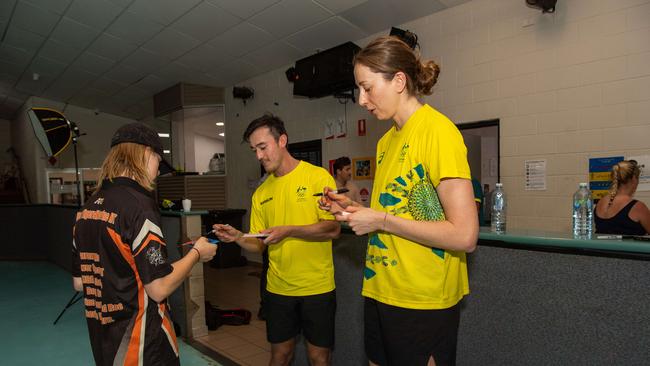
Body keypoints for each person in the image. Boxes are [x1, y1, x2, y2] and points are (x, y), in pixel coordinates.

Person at [320, 36, 478, 366]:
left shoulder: (438, 132)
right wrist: (352, 212)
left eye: (367, 87)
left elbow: (464, 235)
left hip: (423, 299)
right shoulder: (385, 142)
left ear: (399, 81)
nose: (362, 100)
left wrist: (380, 221)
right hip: (381, 289)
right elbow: (390, 212)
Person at [71, 123, 218, 366]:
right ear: (145, 153)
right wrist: (196, 253)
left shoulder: (87, 208)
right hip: (143, 345)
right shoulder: (139, 205)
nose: (157, 172)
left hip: (105, 343)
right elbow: (158, 288)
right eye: (158, 162)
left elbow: (79, 282)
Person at [213, 115, 340, 366]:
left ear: (282, 140)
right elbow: (259, 243)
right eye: (254, 150)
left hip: (317, 288)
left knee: (319, 357)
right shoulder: (261, 193)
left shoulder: (318, 177)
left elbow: (332, 229)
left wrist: (290, 230)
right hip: (278, 290)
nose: (259, 156)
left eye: (263, 147)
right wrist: (238, 237)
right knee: (280, 355)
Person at [595, 160, 650, 235]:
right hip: (629, 247)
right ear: (634, 179)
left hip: (599, 247)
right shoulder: (638, 207)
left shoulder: (600, 202)